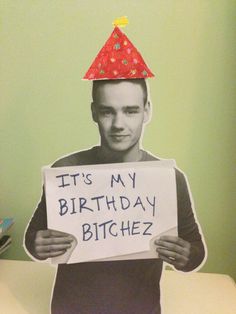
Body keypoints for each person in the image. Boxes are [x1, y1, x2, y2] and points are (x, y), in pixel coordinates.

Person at [24, 78, 206, 314]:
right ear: (93, 113)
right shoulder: (65, 171)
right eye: (107, 111)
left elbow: (196, 251)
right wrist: (37, 245)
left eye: (131, 111)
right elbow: (32, 237)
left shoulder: (169, 179)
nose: (118, 124)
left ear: (147, 111)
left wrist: (187, 256)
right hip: (71, 308)